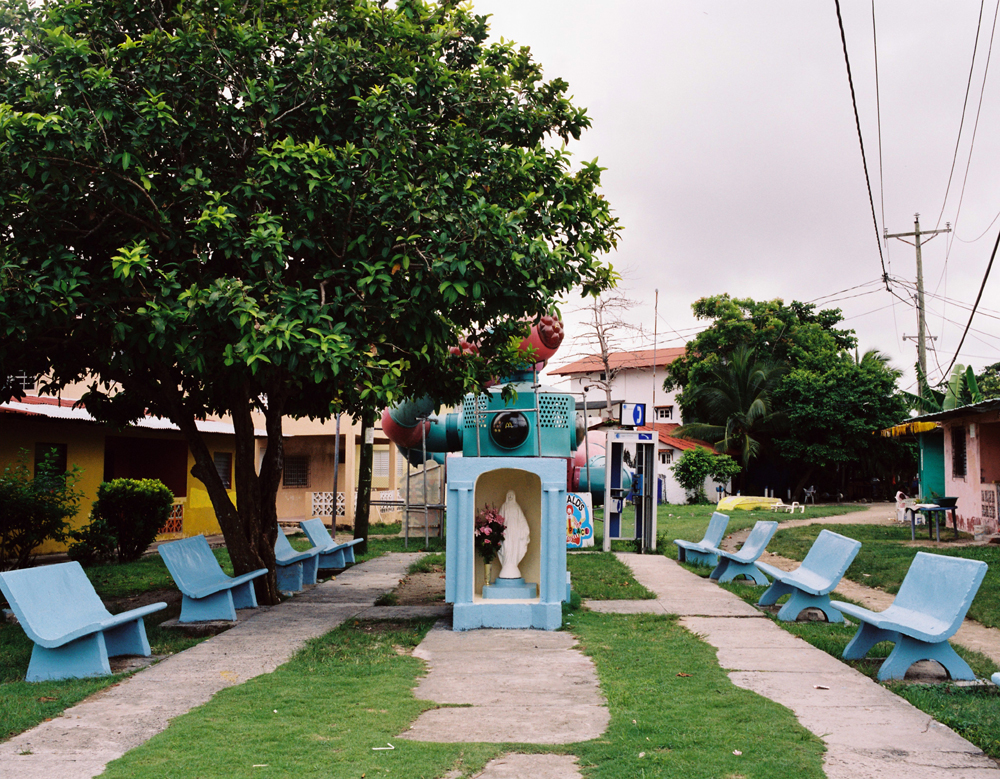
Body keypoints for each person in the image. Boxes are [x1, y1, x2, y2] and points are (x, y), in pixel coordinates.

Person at [497, 490, 529, 580]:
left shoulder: (517, 507)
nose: (510, 496)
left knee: (514, 548)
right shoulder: (504, 506)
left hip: (515, 532)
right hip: (506, 532)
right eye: (509, 495)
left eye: (512, 495)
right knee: (506, 547)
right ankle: (507, 565)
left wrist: (524, 530)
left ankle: (513, 564)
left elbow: (522, 520)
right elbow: (499, 518)